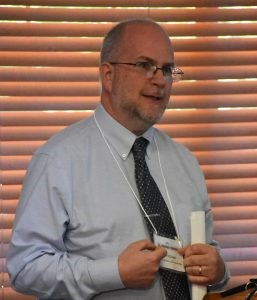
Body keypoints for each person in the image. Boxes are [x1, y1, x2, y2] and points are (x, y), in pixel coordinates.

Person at [7, 18, 229, 299]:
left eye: (168, 69)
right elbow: (24, 268)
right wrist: (113, 273)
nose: (160, 79)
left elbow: (208, 254)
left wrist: (219, 271)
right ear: (108, 75)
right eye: (144, 65)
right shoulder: (59, 160)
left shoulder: (185, 162)